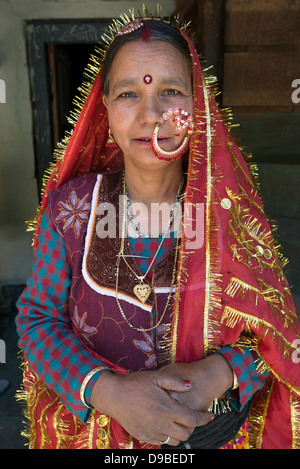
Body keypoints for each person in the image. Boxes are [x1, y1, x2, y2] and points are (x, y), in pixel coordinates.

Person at [16, 12, 300, 450]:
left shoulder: (229, 214)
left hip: (213, 438)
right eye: (129, 93)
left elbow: (274, 332)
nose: (151, 115)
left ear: (197, 105)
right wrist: (110, 392)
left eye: (170, 91)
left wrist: (220, 372)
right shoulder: (69, 210)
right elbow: (38, 320)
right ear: (105, 109)